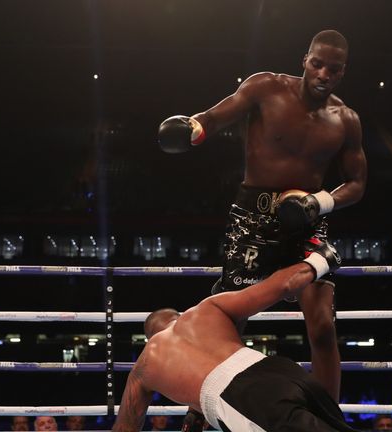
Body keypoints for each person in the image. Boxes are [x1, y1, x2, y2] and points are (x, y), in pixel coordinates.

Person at [112, 250, 392, 432]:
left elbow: (126, 427)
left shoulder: (146, 364)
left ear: (151, 334)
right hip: (277, 371)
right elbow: (280, 284)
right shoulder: (207, 311)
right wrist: (319, 259)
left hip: (242, 398)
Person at [157, 29, 367, 408]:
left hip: (307, 221)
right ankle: (200, 413)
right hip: (252, 219)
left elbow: (357, 184)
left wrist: (319, 203)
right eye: (317, 64)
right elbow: (215, 116)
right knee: (227, 324)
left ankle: (328, 418)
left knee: (322, 327)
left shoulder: (346, 119)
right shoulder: (265, 87)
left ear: (342, 72)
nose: (322, 74)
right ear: (305, 59)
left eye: (332, 70)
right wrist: (193, 128)